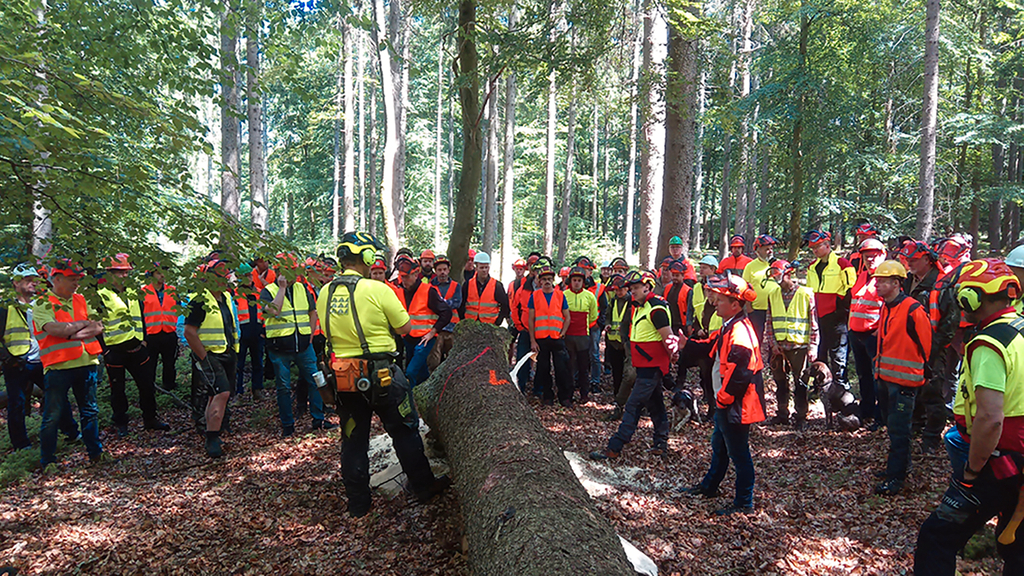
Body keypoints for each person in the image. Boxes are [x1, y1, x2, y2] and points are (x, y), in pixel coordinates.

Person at [316, 231, 450, 518]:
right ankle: (423, 487)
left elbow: (325, 332)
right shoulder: (378, 290)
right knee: (404, 430)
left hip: (344, 376)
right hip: (383, 376)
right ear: (365, 257)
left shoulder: (325, 291)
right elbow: (404, 328)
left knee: (353, 440)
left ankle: (358, 503)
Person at [914, 258, 1024, 575]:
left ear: (972, 297)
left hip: (998, 461)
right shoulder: (1019, 330)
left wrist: (971, 472)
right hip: (1017, 459)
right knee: (1016, 546)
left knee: (937, 537)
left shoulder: (990, 344)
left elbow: (990, 419)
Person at [680, 273, 764, 515]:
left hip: (735, 404)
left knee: (739, 453)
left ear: (736, 305)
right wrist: (687, 344)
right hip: (725, 401)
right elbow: (709, 345)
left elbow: (741, 374)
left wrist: (724, 399)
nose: (715, 301)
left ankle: (743, 502)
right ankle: (710, 486)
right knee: (720, 444)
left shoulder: (740, 333)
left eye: (721, 299)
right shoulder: (729, 327)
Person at [590, 270, 677, 459]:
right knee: (655, 404)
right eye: (631, 288)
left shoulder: (656, 308)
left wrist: (673, 354)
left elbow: (668, 336)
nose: (633, 291)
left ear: (647, 287)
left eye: (636, 287)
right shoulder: (640, 306)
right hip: (644, 363)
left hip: (652, 365)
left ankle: (615, 446)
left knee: (633, 405)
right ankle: (660, 443)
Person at [33, 259, 106, 468]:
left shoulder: (83, 300)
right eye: (72, 279)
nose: (76, 283)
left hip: (87, 363)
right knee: (52, 416)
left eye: (77, 279)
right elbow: (54, 329)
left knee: (90, 411)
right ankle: (48, 461)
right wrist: (83, 325)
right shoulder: (43, 302)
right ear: (56, 279)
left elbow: (98, 326)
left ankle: (96, 455)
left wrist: (71, 332)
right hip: (58, 367)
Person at [872, 260, 933, 496]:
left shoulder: (913, 309)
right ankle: (899, 467)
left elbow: (927, 346)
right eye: (877, 281)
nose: (878, 285)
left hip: (904, 382)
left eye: (883, 282)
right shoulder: (885, 307)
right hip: (885, 379)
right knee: (892, 427)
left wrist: (924, 374)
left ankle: (896, 478)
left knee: (900, 431)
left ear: (897, 284)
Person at [3, 264, 78, 450]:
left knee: (59, 396)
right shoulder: (5, 307)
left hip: (44, 360)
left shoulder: (43, 303)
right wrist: (6, 358)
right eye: (27, 280)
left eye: (34, 280)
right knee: (16, 405)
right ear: (15, 283)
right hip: (17, 363)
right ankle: (21, 446)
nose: (32, 284)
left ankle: (71, 433)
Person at [260, 254, 335, 436]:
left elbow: (312, 312)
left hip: (303, 345)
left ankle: (318, 419)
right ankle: (288, 425)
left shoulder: (302, 288)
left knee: (316, 381)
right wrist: (282, 289)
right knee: (284, 387)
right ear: (278, 272)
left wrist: (309, 333)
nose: (293, 275)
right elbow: (273, 311)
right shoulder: (268, 291)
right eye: (288, 272)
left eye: (294, 271)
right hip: (279, 348)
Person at [97, 254, 169, 437]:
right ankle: (121, 423)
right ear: (109, 272)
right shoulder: (101, 295)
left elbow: (141, 316)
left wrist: (144, 339)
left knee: (147, 386)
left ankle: (150, 419)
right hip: (114, 351)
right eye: (120, 272)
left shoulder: (133, 292)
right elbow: (95, 324)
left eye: (126, 272)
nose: (123, 276)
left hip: (137, 348)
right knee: (118, 390)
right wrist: (104, 350)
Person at [183, 260, 242, 457]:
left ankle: (213, 433)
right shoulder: (200, 300)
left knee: (215, 395)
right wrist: (203, 358)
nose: (227, 283)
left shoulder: (225, 297)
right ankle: (212, 439)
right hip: (209, 355)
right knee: (221, 393)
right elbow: (189, 332)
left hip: (227, 353)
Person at [764, 260, 818, 429]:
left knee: (801, 383)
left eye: (778, 275)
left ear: (788, 274)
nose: (776, 279)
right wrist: (773, 344)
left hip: (799, 347)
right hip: (779, 347)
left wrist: (812, 346)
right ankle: (782, 414)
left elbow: (813, 323)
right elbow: (769, 322)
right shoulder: (773, 295)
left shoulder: (805, 294)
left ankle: (801, 416)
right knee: (780, 382)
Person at [806, 229, 856, 392]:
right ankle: (819, 387)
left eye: (818, 247)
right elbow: (809, 291)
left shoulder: (843, 264)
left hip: (836, 317)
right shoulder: (812, 267)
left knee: (838, 356)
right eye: (812, 248)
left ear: (827, 245)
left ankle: (841, 389)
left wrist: (841, 310)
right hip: (817, 316)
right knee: (819, 352)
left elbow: (850, 288)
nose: (815, 250)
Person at [393, 255, 451, 387]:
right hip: (408, 338)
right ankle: (428, 393)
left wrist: (433, 332)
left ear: (415, 274)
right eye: (402, 277)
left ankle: (410, 402)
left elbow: (446, 312)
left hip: (425, 339)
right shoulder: (400, 291)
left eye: (406, 277)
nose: (404, 281)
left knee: (411, 372)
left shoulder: (428, 291)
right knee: (422, 372)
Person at [848, 238, 886, 427]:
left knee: (877, 375)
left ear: (882, 255)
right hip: (856, 333)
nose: (870, 259)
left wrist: (878, 331)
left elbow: (888, 308)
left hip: (873, 335)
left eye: (874, 256)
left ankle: (881, 415)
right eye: (866, 256)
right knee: (863, 375)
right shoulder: (862, 276)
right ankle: (867, 409)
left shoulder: (886, 278)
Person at [528, 265, 573, 406]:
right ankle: (547, 396)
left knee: (561, 369)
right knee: (543, 369)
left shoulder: (560, 295)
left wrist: (563, 332)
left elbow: (567, 317)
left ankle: (564, 397)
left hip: (556, 338)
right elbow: (531, 319)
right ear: (540, 281)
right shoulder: (534, 296)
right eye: (544, 279)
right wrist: (532, 341)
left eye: (549, 279)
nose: (547, 281)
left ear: (553, 280)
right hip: (541, 339)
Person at [688, 255, 724, 416]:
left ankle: (717, 408)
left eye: (711, 291)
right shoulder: (701, 300)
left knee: (717, 378)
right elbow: (696, 315)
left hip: (720, 346)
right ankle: (711, 407)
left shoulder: (724, 304)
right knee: (706, 376)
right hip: (705, 343)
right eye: (707, 291)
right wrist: (697, 330)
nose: (708, 294)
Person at [141, 263, 179, 391]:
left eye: (164, 272)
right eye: (158, 273)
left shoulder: (172, 291)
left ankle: (169, 387)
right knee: (150, 364)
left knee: (170, 363)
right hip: (151, 334)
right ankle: (149, 387)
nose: (162, 275)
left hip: (169, 333)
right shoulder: (143, 292)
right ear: (151, 275)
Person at [564, 267, 599, 404]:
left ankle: (584, 394)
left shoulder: (589, 296)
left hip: (583, 335)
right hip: (568, 335)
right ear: (570, 281)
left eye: (579, 280)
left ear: (583, 282)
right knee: (569, 367)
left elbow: (593, 316)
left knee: (584, 367)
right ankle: (568, 394)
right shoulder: (564, 295)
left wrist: (586, 328)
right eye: (574, 280)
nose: (577, 283)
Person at [234, 263, 265, 400]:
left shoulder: (259, 292)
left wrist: (263, 330)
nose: (248, 278)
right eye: (245, 276)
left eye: (249, 275)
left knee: (258, 363)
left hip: (257, 333)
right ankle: (238, 392)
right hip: (241, 334)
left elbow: (264, 313)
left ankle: (257, 390)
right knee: (238, 365)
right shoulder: (234, 294)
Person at [603, 274, 631, 420]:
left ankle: (627, 400)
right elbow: (607, 315)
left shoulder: (632, 301)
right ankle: (617, 399)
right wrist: (607, 324)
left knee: (629, 374)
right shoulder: (613, 301)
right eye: (616, 290)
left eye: (621, 290)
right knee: (616, 372)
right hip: (613, 342)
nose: (618, 292)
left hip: (626, 343)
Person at [742, 234, 778, 342]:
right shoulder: (750, 266)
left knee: (775, 340)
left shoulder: (777, 265)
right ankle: (756, 358)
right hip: (757, 310)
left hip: (776, 309)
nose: (770, 251)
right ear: (758, 250)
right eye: (767, 249)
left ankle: (773, 359)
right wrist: (749, 308)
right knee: (756, 338)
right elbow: (745, 288)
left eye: (771, 249)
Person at [428, 255, 460, 371]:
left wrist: (440, 304)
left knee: (453, 360)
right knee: (434, 361)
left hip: (452, 328)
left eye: (444, 269)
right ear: (435, 271)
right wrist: (446, 304)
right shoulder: (429, 286)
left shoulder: (456, 286)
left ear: (449, 269)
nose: (442, 272)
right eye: (439, 270)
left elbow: (457, 303)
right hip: (436, 329)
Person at [461, 251, 509, 326]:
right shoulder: (468, 284)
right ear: (476, 268)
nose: (484, 270)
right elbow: (462, 304)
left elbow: (505, 306)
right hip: (470, 325)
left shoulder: (497, 285)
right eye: (481, 268)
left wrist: (497, 322)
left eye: (486, 267)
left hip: (489, 325)